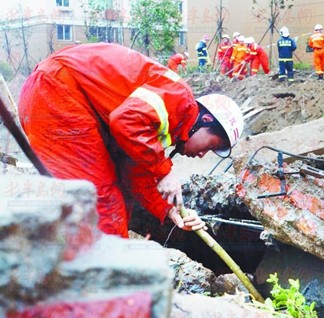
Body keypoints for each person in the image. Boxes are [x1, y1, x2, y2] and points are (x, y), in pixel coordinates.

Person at [18, 43, 244, 238]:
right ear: (205, 119)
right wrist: (164, 171)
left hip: (55, 93)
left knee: (116, 199)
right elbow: (125, 120)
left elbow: (134, 170)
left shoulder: (163, 124)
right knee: (100, 201)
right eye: (212, 145)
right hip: (57, 92)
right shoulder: (179, 99)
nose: (203, 155)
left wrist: (170, 210)